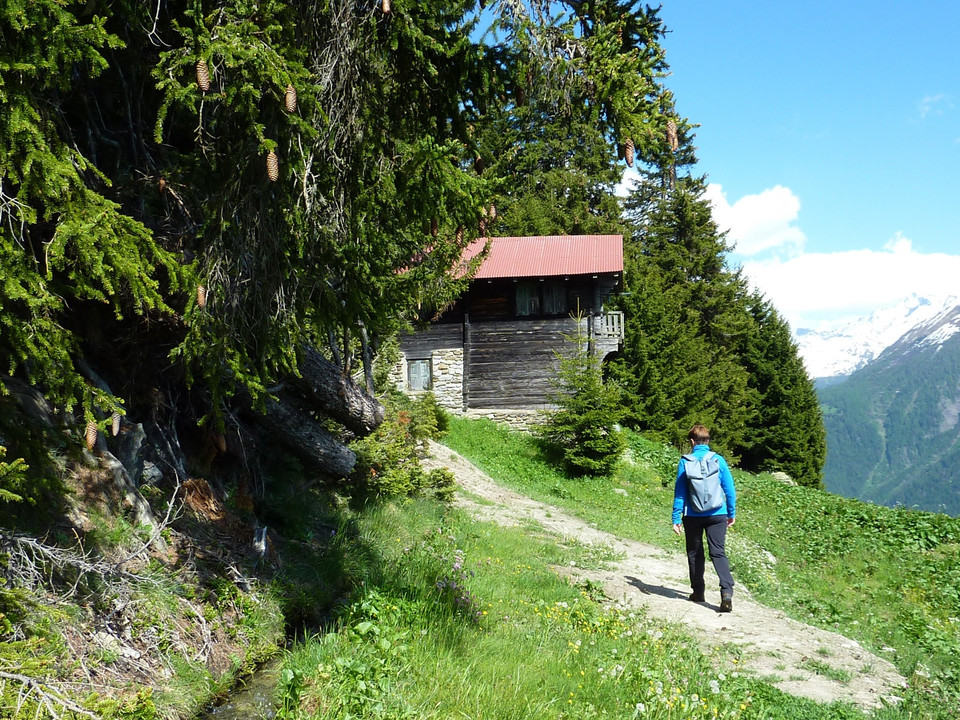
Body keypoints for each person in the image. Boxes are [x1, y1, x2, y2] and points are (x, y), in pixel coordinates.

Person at [672, 424, 736, 612]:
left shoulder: (685, 461)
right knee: (718, 552)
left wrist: (676, 518)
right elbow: (729, 489)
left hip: (693, 515)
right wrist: (731, 513)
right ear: (707, 441)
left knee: (695, 552)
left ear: (692, 441)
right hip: (718, 513)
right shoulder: (718, 460)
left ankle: (698, 592)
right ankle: (726, 592)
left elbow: (680, 493)